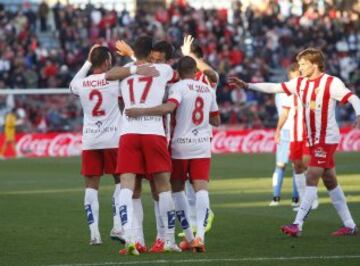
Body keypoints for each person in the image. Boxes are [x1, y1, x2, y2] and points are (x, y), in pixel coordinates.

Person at [228, 48, 360, 237]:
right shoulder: (300, 83)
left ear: (314, 64)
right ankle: (350, 225)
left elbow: (353, 97)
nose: (300, 68)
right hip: (313, 138)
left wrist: (359, 113)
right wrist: (247, 85)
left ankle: (297, 224)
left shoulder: (331, 82)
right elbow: (275, 87)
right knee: (330, 180)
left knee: (312, 175)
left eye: (303, 64)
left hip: (327, 138)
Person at [126, 56, 221, 252]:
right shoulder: (208, 89)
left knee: (176, 189)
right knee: (201, 189)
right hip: (202, 145)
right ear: (196, 71)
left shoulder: (177, 88)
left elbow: (169, 108)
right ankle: (200, 237)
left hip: (180, 146)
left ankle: (187, 235)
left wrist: (142, 111)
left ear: (178, 72)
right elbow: (216, 121)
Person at [69, 44, 158, 245]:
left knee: (91, 187)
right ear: (108, 62)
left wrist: (87, 61)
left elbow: (71, 85)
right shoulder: (115, 81)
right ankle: (118, 225)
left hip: (90, 140)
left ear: (92, 62)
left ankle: (94, 234)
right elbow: (140, 69)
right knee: (121, 182)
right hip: (113, 139)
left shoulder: (81, 84)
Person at [106, 36, 180, 255]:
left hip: (128, 133)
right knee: (162, 187)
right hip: (153, 133)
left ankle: (133, 238)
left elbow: (110, 75)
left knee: (128, 187)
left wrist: (132, 63)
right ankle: (166, 239)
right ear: (151, 54)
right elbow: (176, 74)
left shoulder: (127, 70)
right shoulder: (164, 70)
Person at [274, 63, 317, 211]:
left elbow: (315, 110)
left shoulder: (310, 90)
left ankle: (312, 198)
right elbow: (284, 114)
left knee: (307, 166)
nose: (294, 80)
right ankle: (304, 202)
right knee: (297, 167)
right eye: (292, 78)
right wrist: (278, 130)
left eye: (296, 76)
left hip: (308, 135)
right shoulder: (289, 94)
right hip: (294, 134)